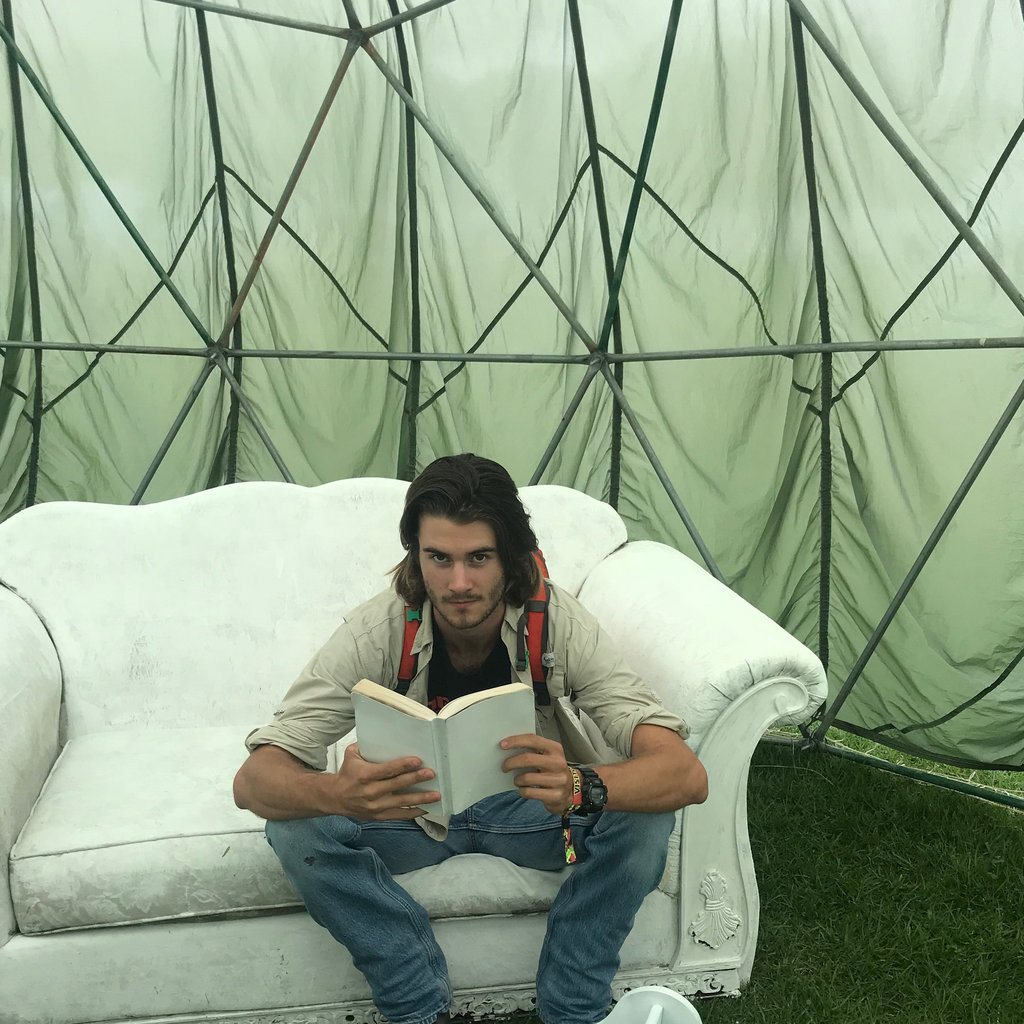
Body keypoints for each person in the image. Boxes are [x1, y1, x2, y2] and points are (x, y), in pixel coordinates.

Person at [234, 454, 708, 1024]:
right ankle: (417, 1004)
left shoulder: (556, 621)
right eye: (439, 558)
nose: (458, 583)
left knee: (645, 818)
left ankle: (572, 1009)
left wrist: (579, 786)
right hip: (410, 816)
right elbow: (254, 780)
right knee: (294, 827)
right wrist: (341, 794)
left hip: (538, 819)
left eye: (479, 558)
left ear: (511, 557)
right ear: (416, 556)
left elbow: (684, 774)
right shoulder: (379, 629)